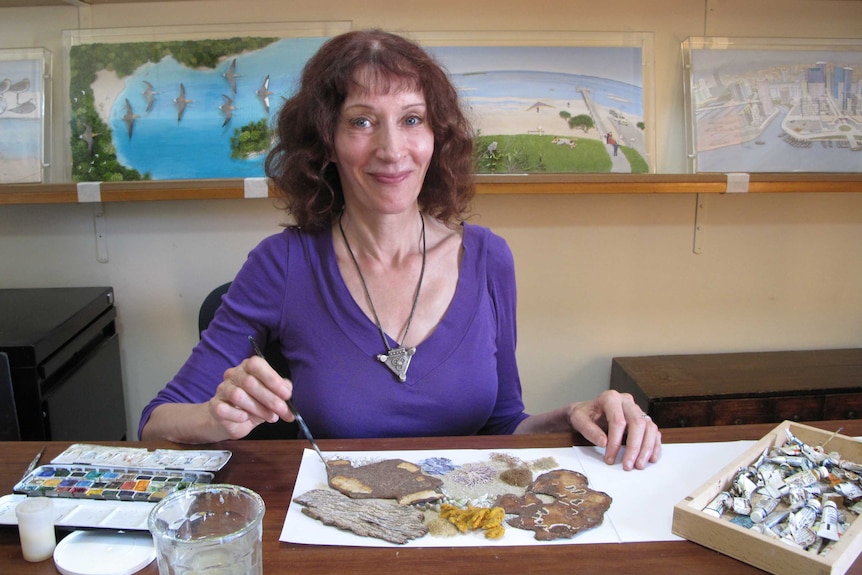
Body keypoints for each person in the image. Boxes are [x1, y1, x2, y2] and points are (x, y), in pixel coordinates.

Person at [139, 29, 661, 471]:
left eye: (412, 119)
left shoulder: (488, 258)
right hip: (337, 527)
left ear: (437, 137)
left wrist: (571, 415)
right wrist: (215, 418)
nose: (392, 150)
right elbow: (155, 425)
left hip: (462, 527)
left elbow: (502, 424)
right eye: (362, 121)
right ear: (326, 142)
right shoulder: (282, 265)